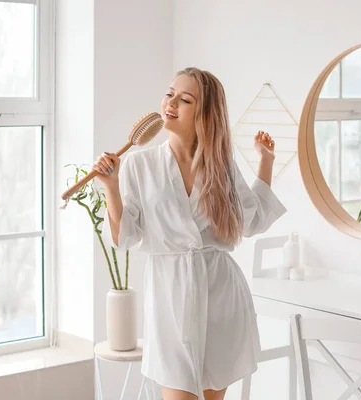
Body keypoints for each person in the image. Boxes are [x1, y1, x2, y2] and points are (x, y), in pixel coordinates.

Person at [96, 67, 286, 400]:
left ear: (204, 113)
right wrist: (112, 187)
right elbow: (125, 236)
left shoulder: (220, 164)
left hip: (221, 295)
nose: (170, 103)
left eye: (185, 99)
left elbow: (251, 220)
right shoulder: (141, 165)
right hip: (169, 296)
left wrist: (265, 162)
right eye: (170, 94)